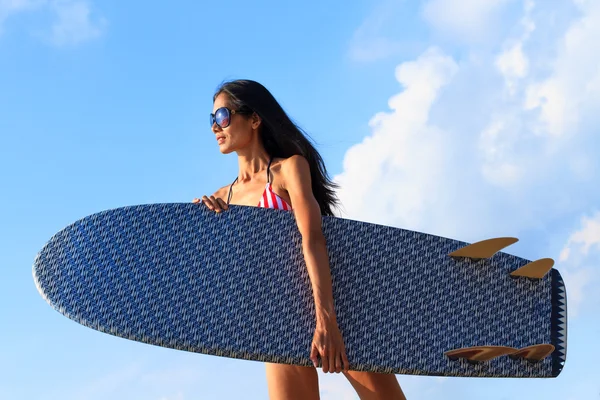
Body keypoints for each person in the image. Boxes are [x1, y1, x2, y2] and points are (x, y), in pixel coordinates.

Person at [194, 79, 407, 400]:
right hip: (279, 320)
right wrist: (202, 224)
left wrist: (327, 321)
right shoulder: (223, 199)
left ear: (254, 119)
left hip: (337, 310)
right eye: (211, 119)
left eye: (222, 116)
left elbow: (313, 240)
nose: (215, 126)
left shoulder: (289, 170)